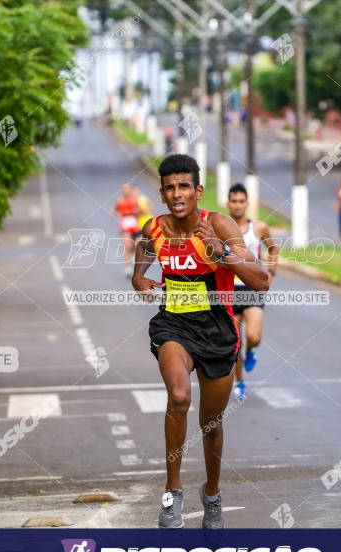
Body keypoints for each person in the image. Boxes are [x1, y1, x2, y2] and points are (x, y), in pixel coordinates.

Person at [132, 155, 269, 529]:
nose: (177, 194)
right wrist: (144, 283)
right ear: (162, 193)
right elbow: (138, 276)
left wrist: (222, 255)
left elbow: (261, 280)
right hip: (173, 325)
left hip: (218, 330)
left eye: (184, 186)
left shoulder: (220, 225)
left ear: (198, 191)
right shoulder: (154, 229)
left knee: (211, 422)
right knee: (178, 397)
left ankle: (211, 494)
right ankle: (171, 493)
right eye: (170, 187)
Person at [226, 183, 278, 400]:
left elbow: (273, 248)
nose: (237, 205)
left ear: (247, 204)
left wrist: (271, 272)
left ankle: (253, 351)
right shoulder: (220, 228)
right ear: (228, 203)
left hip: (252, 287)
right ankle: (239, 382)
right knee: (235, 342)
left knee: (253, 335)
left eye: (241, 201)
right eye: (234, 201)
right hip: (229, 290)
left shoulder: (259, 228)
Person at [113, 183, 142, 278]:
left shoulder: (135, 199)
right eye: (123, 190)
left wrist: (133, 212)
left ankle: (135, 262)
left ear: (130, 190)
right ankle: (128, 269)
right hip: (125, 226)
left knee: (136, 247)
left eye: (127, 190)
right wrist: (116, 213)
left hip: (135, 226)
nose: (125, 191)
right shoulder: (119, 201)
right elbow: (114, 210)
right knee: (127, 246)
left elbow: (140, 211)